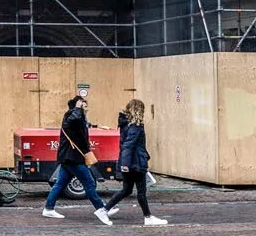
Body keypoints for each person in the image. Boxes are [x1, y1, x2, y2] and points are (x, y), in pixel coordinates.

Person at [42, 95, 113, 224]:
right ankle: (101, 208)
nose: (84, 106)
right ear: (75, 106)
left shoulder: (77, 118)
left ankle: (48, 208)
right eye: (81, 104)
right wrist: (78, 108)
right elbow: (75, 121)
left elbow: (81, 129)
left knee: (60, 183)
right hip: (72, 157)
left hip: (69, 157)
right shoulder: (71, 116)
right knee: (89, 182)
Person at [104, 99, 166, 225]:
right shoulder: (136, 126)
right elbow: (129, 145)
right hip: (135, 163)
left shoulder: (125, 125)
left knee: (126, 190)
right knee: (141, 191)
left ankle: (104, 209)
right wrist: (126, 164)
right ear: (139, 110)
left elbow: (130, 145)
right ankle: (148, 217)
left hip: (131, 161)